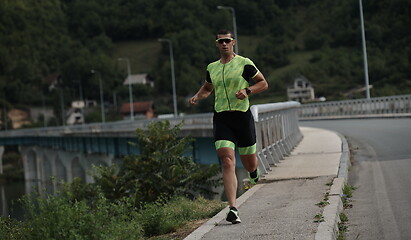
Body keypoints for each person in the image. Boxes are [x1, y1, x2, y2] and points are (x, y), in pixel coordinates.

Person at [189, 29, 268, 224]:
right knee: (227, 160)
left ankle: (253, 172)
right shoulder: (212, 67)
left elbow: (263, 83)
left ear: (233, 42)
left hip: (242, 117)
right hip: (222, 118)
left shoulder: (244, 63)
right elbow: (208, 87)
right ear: (216, 44)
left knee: (249, 163)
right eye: (220, 41)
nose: (224, 44)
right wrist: (198, 96)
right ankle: (233, 208)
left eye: (227, 41)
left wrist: (248, 90)